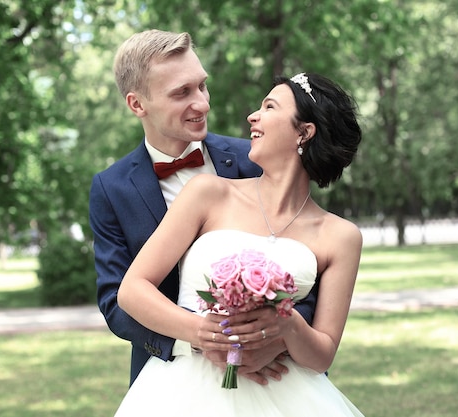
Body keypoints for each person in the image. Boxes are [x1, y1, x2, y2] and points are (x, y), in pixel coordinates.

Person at [114, 72, 365, 416]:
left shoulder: (341, 237)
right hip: (184, 392)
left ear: (304, 133)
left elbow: (322, 354)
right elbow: (131, 290)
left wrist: (287, 325)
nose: (253, 116)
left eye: (269, 107)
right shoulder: (208, 193)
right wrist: (203, 333)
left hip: (284, 394)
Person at [89, 29, 319, 386]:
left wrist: (275, 337)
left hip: (274, 376)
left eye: (202, 86)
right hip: (170, 377)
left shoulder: (254, 157)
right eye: (182, 93)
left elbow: (308, 258)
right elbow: (115, 302)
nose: (203, 103)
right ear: (137, 104)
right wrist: (198, 339)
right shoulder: (111, 189)